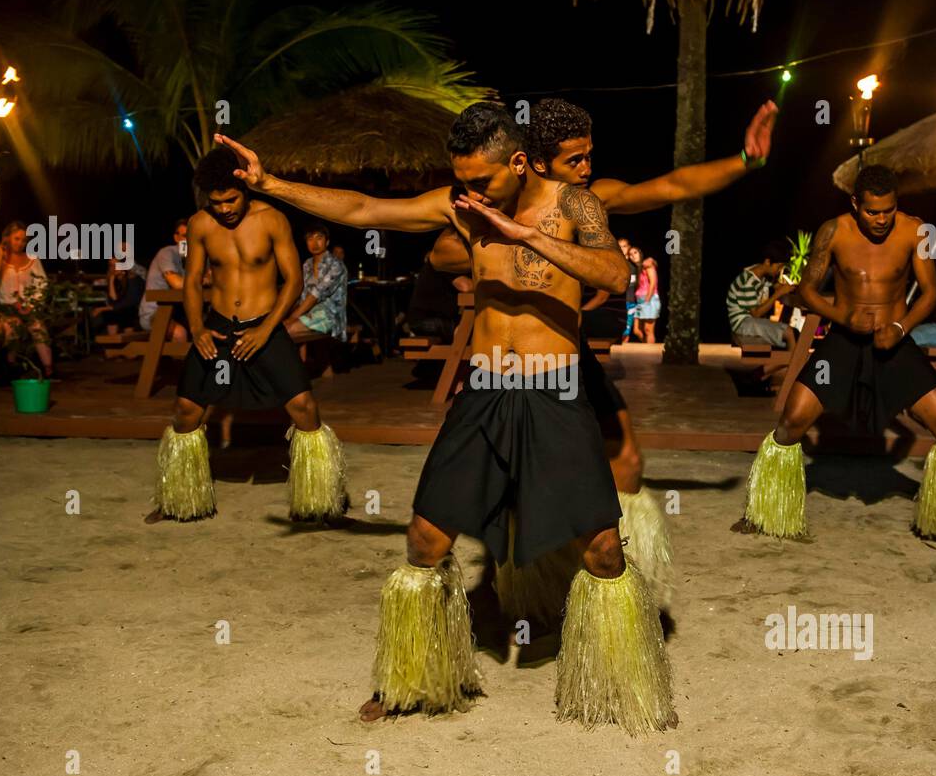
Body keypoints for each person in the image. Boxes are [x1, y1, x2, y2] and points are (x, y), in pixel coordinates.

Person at [216, 102, 677, 734]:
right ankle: (414, 681)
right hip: (485, 392)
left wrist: (525, 237)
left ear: (518, 164)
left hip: (555, 390)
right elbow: (361, 209)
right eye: (461, 180)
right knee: (426, 539)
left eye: (482, 181)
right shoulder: (461, 204)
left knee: (600, 549)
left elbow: (617, 275)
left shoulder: (574, 205)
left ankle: (624, 682)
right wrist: (270, 185)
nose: (469, 194)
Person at [426, 96, 778, 626]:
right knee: (516, 485)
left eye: (590, 155)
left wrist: (745, 161)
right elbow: (438, 251)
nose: (588, 169)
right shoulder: (493, 199)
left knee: (628, 463)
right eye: (575, 160)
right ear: (535, 162)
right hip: (508, 364)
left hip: (568, 359)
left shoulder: (588, 200)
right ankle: (534, 583)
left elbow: (672, 187)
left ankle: (625, 578)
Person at [734, 165, 936, 555]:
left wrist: (900, 327)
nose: (881, 220)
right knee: (792, 419)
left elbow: (931, 293)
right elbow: (808, 292)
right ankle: (762, 512)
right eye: (872, 212)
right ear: (855, 204)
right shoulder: (833, 232)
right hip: (845, 342)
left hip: (892, 342)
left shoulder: (913, 230)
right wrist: (842, 318)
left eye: (888, 210)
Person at [145, 148, 346, 526]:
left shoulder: (273, 220)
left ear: (245, 187)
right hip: (219, 326)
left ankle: (319, 501)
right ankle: (178, 500)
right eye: (216, 202)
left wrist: (267, 328)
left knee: (304, 407)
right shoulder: (200, 224)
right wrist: (198, 328)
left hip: (264, 326)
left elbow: (294, 281)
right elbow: (191, 283)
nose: (224, 209)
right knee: (187, 411)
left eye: (231, 200)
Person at [0, 222, 52, 385]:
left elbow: (42, 284)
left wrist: (31, 303)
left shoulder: (32, 259)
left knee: (37, 326)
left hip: (29, 306)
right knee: (11, 328)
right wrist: (0, 257)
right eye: (16, 239)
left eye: (23, 240)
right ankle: (9, 367)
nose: (20, 243)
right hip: (6, 307)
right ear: (7, 238)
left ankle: (48, 368)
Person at [727, 239, 797, 351]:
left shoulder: (760, 274)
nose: (780, 271)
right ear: (767, 262)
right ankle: (795, 368)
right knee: (789, 333)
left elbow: (776, 286)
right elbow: (756, 313)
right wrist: (778, 294)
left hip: (748, 322)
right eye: (778, 267)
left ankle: (785, 365)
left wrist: (789, 288)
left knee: (792, 332)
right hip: (742, 324)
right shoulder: (748, 281)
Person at [283, 223, 347, 345]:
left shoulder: (336, 265)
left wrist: (292, 318)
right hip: (308, 313)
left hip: (330, 316)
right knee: (281, 327)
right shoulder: (307, 264)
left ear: (327, 242)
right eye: (310, 239)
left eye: (319, 238)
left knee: (287, 331)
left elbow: (315, 295)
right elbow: (301, 294)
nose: (314, 243)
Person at [139, 219, 190, 341]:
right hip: (155, 313)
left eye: (192, 236)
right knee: (180, 334)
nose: (188, 240)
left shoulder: (195, 257)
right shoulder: (167, 253)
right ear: (176, 237)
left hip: (179, 312)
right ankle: (179, 360)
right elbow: (177, 283)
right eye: (184, 236)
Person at [91, 255, 146, 336]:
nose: (113, 268)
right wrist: (111, 280)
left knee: (123, 312)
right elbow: (113, 301)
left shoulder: (132, 278)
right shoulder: (115, 280)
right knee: (111, 314)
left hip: (139, 311)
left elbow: (130, 302)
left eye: (116, 265)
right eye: (110, 265)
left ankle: (125, 342)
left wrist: (102, 309)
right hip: (124, 310)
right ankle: (112, 342)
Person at [633, 250, 662, 342]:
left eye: (635, 253)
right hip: (640, 300)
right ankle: (645, 348)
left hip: (649, 299)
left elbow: (653, 284)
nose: (633, 256)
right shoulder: (639, 268)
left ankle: (649, 353)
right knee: (637, 330)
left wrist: (647, 300)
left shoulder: (648, 266)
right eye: (631, 254)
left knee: (648, 329)